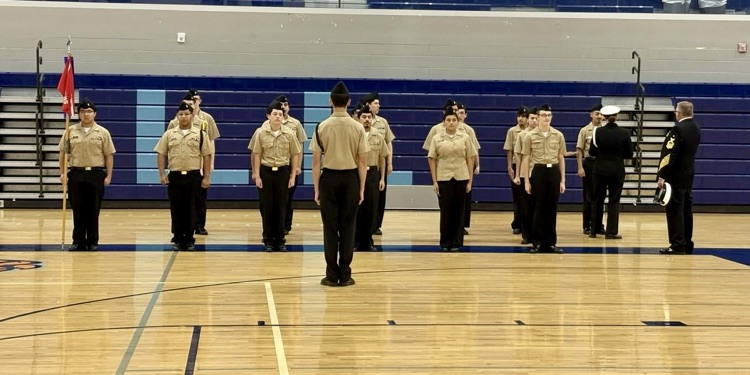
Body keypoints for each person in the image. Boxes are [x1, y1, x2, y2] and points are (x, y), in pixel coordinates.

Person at [311, 81, 368, 287]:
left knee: (330, 228)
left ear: (330, 102)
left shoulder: (321, 127)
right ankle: (345, 274)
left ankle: (330, 274)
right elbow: (363, 161)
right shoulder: (358, 128)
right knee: (348, 227)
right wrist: (361, 188)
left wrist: (317, 188)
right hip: (351, 179)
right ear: (349, 102)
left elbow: (316, 162)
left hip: (329, 180)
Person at [58, 99, 116, 251]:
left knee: (93, 209)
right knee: (78, 209)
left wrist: (109, 176)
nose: (86, 114)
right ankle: (78, 241)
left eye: (89, 111)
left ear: (94, 114)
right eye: (82, 111)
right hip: (76, 174)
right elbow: (63, 153)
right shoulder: (69, 131)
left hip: (95, 175)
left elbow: (109, 155)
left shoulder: (103, 132)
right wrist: (63, 173)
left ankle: (92, 241)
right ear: (78, 114)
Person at [155, 102, 213, 251]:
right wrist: (162, 174)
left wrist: (206, 177)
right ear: (177, 116)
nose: (183, 117)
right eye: (180, 114)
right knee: (177, 208)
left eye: (186, 114)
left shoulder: (200, 134)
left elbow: (207, 156)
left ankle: (189, 238)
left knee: (191, 208)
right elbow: (161, 153)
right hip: (175, 176)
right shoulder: (169, 134)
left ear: (192, 115)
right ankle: (178, 237)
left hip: (193, 176)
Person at [250, 101, 302, 252]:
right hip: (266, 172)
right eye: (275, 114)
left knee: (281, 206)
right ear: (268, 116)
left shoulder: (289, 133)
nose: (278, 117)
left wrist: (292, 176)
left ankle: (280, 240)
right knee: (267, 206)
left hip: (282, 172)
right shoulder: (260, 132)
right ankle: (268, 239)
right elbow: (256, 154)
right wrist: (257, 175)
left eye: (280, 114)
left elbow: (295, 155)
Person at [167, 90, 220, 236]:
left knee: (200, 196)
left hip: (202, 162)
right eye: (190, 102)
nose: (192, 103)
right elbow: (171, 144)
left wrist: (211, 163)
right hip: (184, 163)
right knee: (183, 199)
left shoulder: (206, 119)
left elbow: (211, 142)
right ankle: (183, 228)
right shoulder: (174, 122)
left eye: (195, 101)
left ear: (199, 101)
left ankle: (199, 224)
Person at [428, 108, 477, 252]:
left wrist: (469, 181)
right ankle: (445, 241)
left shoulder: (465, 138)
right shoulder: (437, 138)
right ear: (444, 122)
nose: (451, 123)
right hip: (444, 177)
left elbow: (470, 158)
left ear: (458, 122)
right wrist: (435, 181)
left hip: (461, 177)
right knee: (446, 210)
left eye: (454, 120)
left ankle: (456, 241)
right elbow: (432, 159)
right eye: (448, 120)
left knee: (459, 210)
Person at [521, 104, 566, 254]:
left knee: (551, 208)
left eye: (549, 115)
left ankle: (551, 243)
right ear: (538, 117)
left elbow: (561, 157)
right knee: (538, 208)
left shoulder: (558, 135)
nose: (547, 118)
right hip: (538, 171)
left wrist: (563, 180)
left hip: (553, 171)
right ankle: (537, 242)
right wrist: (527, 181)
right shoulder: (530, 136)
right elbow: (526, 159)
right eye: (544, 115)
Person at [658, 101, 701, 255]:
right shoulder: (696, 128)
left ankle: (677, 244)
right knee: (686, 211)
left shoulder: (677, 129)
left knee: (675, 210)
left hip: (675, 176)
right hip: (688, 174)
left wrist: (662, 175)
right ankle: (687, 242)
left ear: (679, 113)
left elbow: (669, 153)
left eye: (676, 111)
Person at [588, 105, 633, 240]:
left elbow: (591, 152)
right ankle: (611, 232)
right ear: (616, 116)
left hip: (599, 170)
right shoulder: (624, 133)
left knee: (597, 199)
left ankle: (594, 230)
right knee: (614, 201)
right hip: (617, 170)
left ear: (604, 117)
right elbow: (629, 154)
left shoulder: (597, 132)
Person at [359, 93, 394, 236]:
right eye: (376, 103)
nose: (378, 106)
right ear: (368, 105)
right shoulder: (357, 125)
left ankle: (376, 225)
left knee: (378, 198)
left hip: (377, 166)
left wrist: (390, 162)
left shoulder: (382, 122)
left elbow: (388, 142)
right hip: (361, 168)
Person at [354, 105, 388, 252]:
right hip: (356, 173)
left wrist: (382, 179)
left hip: (373, 173)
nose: (367, 119)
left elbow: (382, 158)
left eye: (369, 117)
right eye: (364, 117)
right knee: (357, 209)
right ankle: (355, 241)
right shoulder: (353, 135)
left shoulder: (378, 137)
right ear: (358, 118)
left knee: (371, 209)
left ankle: (368, 241)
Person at [274, 95, 308, 235]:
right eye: (281, 105)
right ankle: (275, 223)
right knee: (275, 197)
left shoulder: (295, 124)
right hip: (275, 163)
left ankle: (286, 224)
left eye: (285, 105)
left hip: (290, 165)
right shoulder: (271, 123)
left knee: (288, 197)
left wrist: (298, 166)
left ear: (289, 107)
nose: (283, 107)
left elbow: (299, 147)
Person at [576, 104, 605, 236]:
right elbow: (579, 150)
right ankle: (587, 225)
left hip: (602, 163)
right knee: (588, 197)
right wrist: (580, 167)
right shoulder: (584, 131)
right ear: (591, 114)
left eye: (601, 114)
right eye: (597, 113)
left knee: (600, 196)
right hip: (589, 163)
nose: (599, 116)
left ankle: (598, 225)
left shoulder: (605, 130)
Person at [513, 107, 537, 245]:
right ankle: (526, 234)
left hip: (538, 173)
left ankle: (537, 233)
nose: (534, 121)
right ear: (528, 120)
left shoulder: (543, 134)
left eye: (535, 118)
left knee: (538, 206)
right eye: (531, 118)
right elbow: (518, 156)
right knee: (526, 206)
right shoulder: (522, 135)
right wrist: (517, 175)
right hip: (524, 173)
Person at [456, 102, 480, 235]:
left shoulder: (469, 130)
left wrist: (477, 164)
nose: (460, 115)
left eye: (462, 113)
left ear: (466, 115)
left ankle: (463, 224)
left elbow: (474, 149)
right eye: (458, 112)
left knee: (466, 195)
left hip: (466, 166)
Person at [504, 107, 528, 235]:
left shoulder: (532, 131)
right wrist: (509, 166)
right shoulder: (512, 131)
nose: (521, 118)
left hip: (529, 166)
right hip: (516, 165)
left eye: (523, 116)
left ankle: (527, 223)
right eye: (519, 116)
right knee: (518, 196)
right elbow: (509, 150)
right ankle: (517, 223)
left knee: (527, 196)